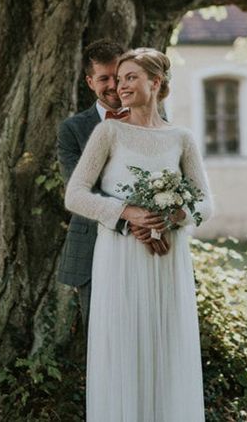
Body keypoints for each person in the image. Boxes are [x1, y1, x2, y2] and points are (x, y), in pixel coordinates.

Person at [65, 47, 214, 421]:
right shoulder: (108, 131)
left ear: (155, 82)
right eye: (118, 79)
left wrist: (173, 217)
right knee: (124, 347)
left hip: (167, 262)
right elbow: (75, 194)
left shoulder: (181, 138)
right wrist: (128, 213)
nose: (121, 85)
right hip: (120, 258)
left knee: (165, 346)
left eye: (130, 77)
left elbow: (206, 203)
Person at [57, 40, 170, 334]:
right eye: (103, 78)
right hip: (95, 247)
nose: (113, 85)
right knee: (104, 341)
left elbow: (168, 180)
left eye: (118, 77)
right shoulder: (73, 130)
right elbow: (81, 190)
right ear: (90, 81)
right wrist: (131, 218)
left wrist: (156, 224)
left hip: (150, 244)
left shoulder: (158, 119)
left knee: (149, 336)